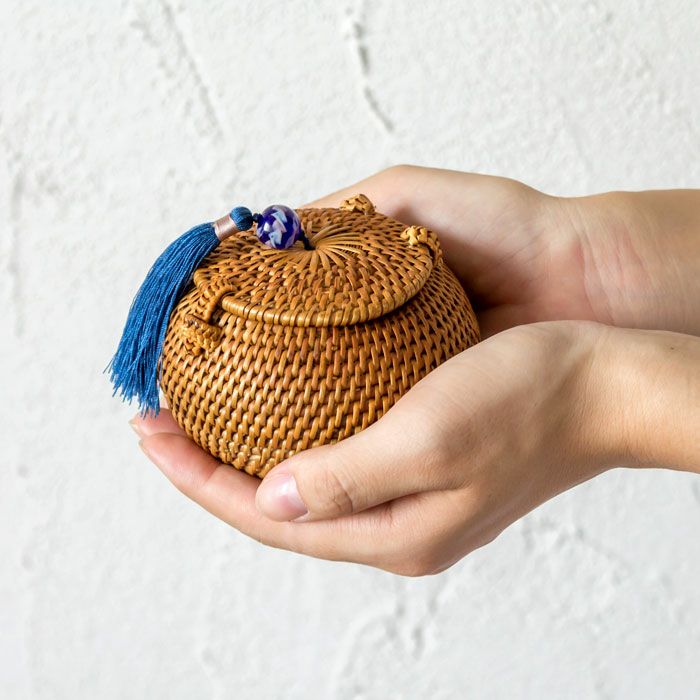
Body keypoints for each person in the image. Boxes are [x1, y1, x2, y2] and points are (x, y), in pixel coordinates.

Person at [131, 165, 700, 576]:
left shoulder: (420, 279)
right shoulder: (219, 305)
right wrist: (590, 259)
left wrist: (590, 396)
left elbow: (591, 390)